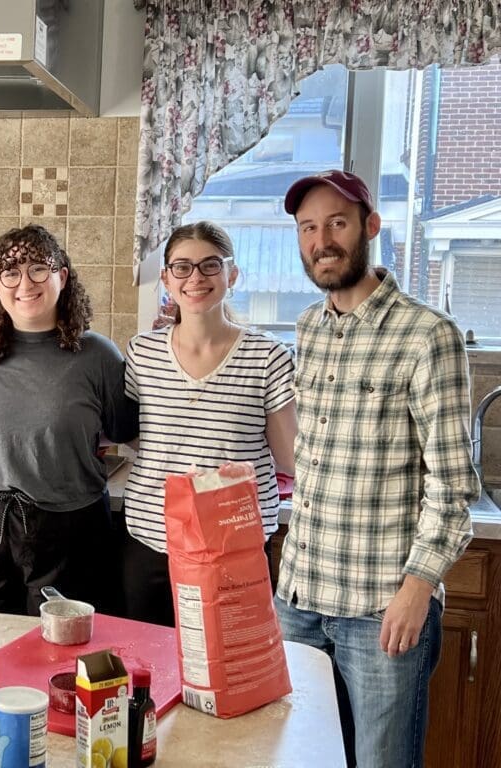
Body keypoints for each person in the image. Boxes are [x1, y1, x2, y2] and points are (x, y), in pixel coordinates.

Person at [275, 170, 478, 768]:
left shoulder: (427, 336)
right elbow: (317, 456)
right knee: (299, 757)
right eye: (308, 228)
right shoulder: (309, 328)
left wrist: (419, 589)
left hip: (380, 610)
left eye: (337, 223)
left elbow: (453, 487)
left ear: (370, 227)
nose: (322, 241)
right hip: (300, 599)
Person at [0, 224, 139, 616]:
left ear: (62, 275)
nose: (24, 282)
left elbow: (129, 435)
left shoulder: (99, 357)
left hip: (70, 529)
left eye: (38, 268)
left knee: (61, 650)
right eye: (11, 271)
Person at [122, 221, 296, 626]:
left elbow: (290, 458)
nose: (195, 278)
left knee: (231, 676)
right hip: (151, 543)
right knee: (151, 673)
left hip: (233, 548)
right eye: (181, 267)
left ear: (232, 274)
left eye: (210, 265)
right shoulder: (141, 352)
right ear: (166, 278)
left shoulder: (267, 357)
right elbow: (133, 435)